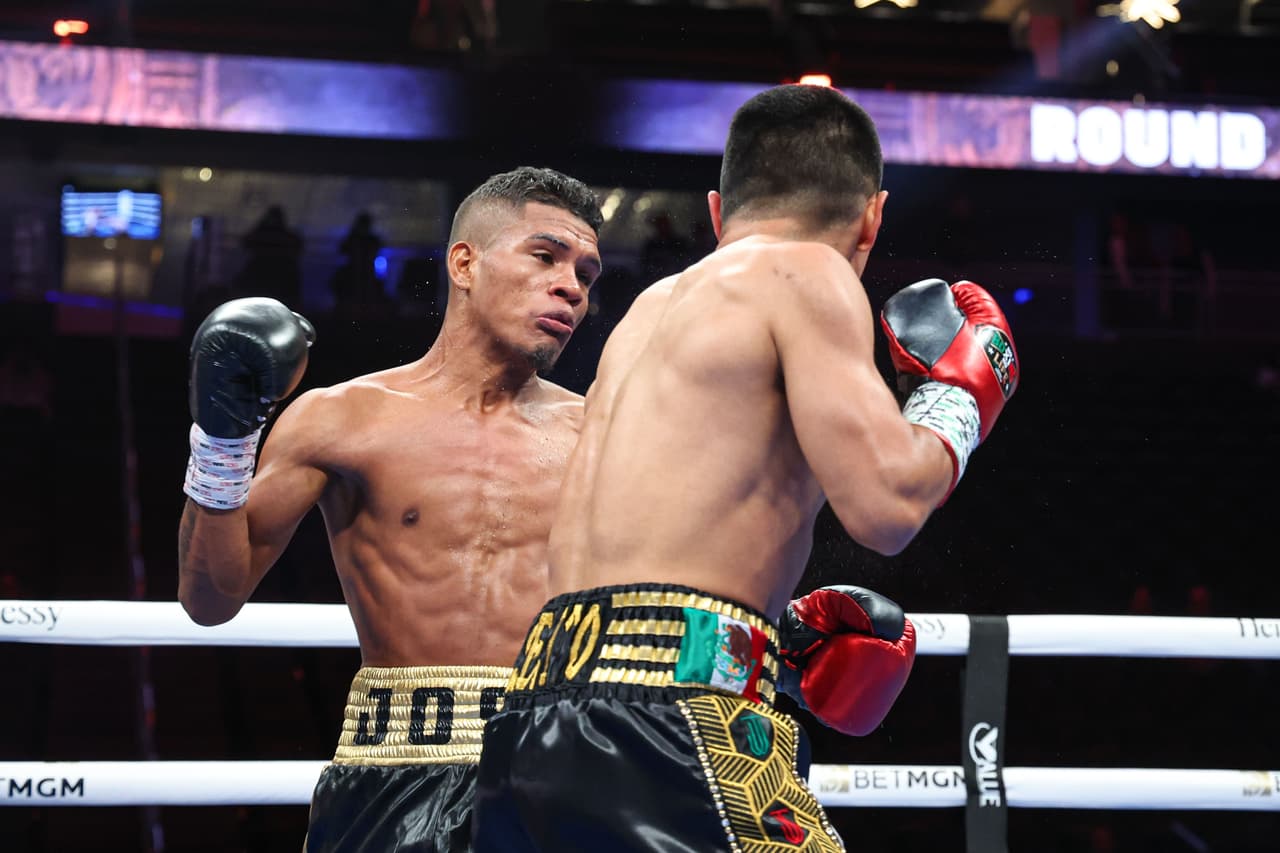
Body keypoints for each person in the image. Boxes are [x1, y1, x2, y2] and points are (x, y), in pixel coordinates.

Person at [473, 84, 1019, 851]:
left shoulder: (649, 310)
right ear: (872, 216)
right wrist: (958, 400)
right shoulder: (809, 272)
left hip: (535, 721)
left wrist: (766, 636)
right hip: (672, 721)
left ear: (718, 212)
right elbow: (888, 506)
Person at [177, 166, 605, 852]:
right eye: (546, 255)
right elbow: (210, 597)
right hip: (391, 773)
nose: (572, 287)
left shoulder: (601, 434)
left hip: (558, 768)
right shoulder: (340, 419)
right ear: (464, 262)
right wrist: (223, 442)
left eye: (587, 272)